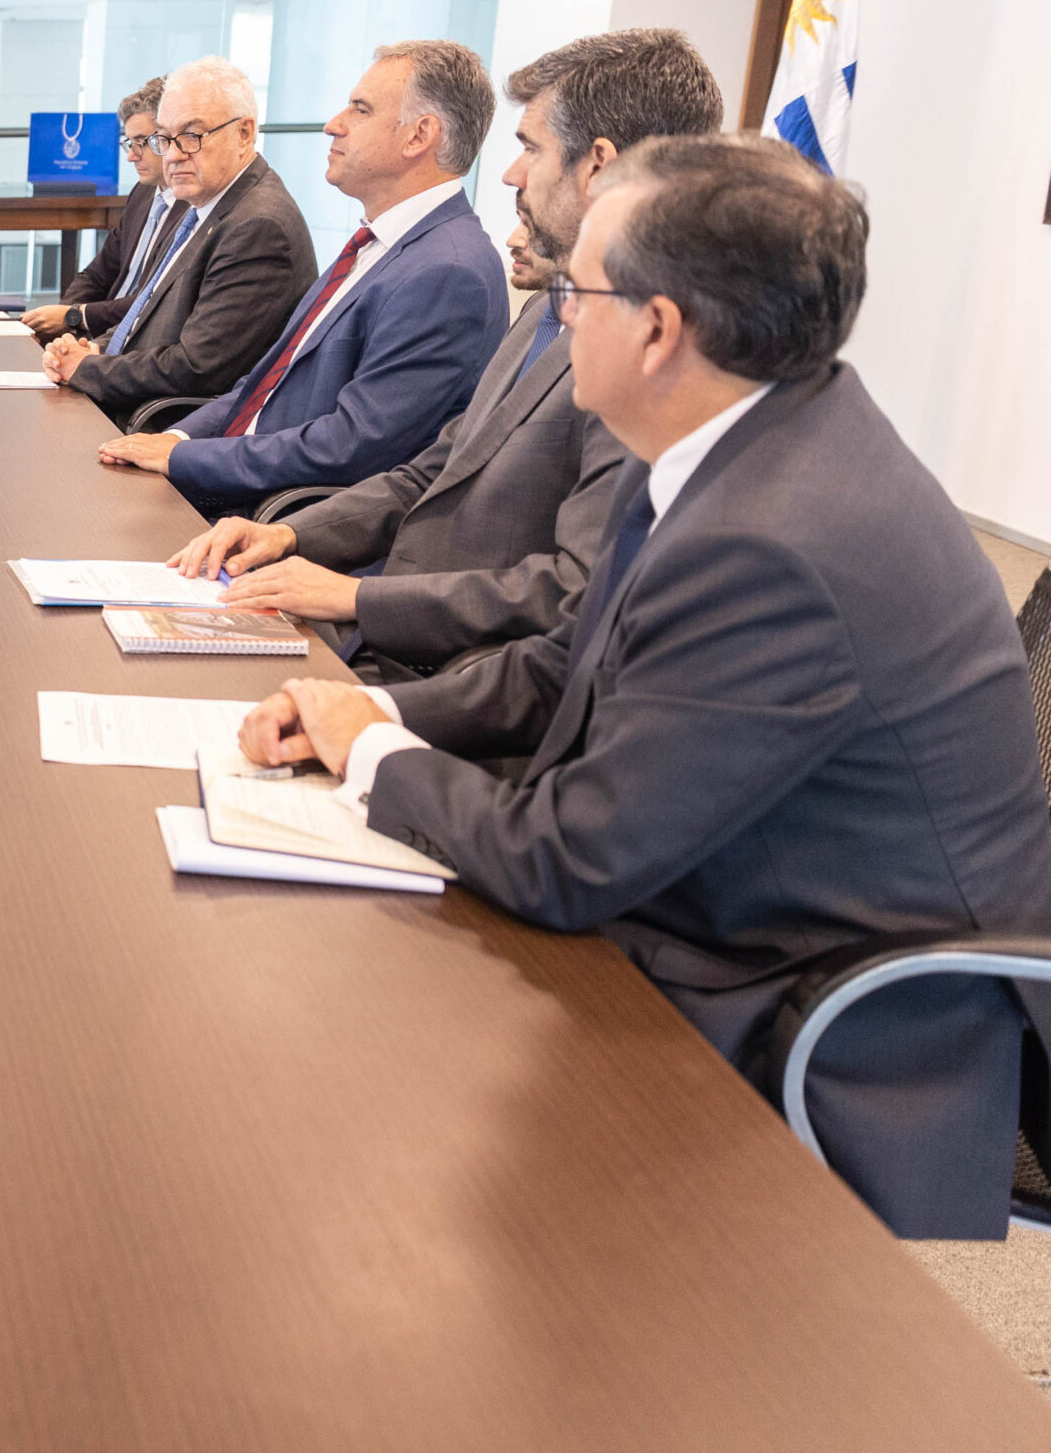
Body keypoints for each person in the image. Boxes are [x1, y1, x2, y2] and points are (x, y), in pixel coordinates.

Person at [240, 134, 1051, 1239]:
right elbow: (567, 659)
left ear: (659, 328)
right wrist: (370, 711)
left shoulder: (773, 543)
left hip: (811, 1009)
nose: (558, 316)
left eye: (575, 292)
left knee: (346, 1078)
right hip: (711, 897)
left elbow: (569, 861)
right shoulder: (733, 438)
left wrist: (374, 757)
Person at [176, 28, 723, 681]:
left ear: (597, 165)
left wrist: (357, 600)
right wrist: (291, 535)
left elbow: (568, 595)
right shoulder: (550, 308)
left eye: (530, 148)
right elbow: (435, 469)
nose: (511, 173)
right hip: (388, 628)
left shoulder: (641, 347)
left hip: (448, 668)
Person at [96, 40, 504, 518]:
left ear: (419, 136)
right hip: (235, 481)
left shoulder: (447, 272)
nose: (333, 124)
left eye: (360, 109)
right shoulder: (379, 243)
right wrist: (176, 438)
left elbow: (351, 445)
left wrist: (185, 459)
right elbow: (266, 383)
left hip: (272, 516)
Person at [38, 58, 316, 423]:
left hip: (162, 426)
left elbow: (197, 366)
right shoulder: (206, 203)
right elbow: (147, 318)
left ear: (244, 133)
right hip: (130, 401)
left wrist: (88, 368)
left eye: (191, 136)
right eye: (164, 138)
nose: (172, 155)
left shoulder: (258, 226)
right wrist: (93, 350)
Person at [23, 76, 167, 341]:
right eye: (129, 143)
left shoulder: (192, 210)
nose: (131, 156)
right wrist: (66, 320)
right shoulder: (143, 192)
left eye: (141, 142)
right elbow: (96, 274)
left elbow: (154, 301)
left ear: (167, 137)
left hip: (134, 339)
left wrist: (74, 317)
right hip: (95, 331)